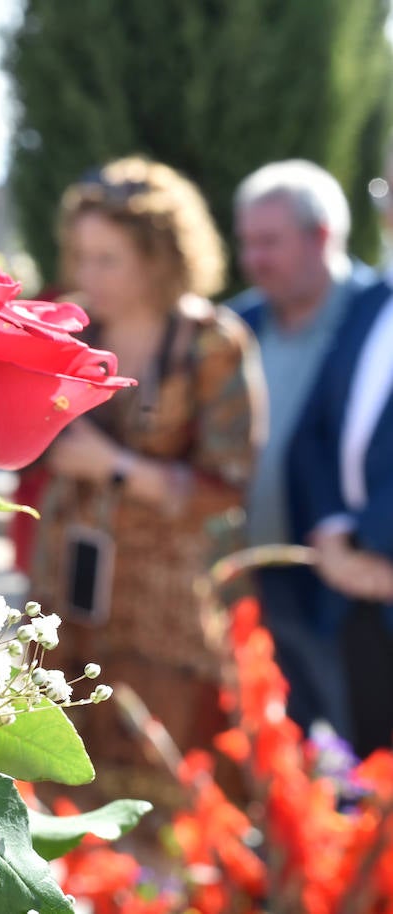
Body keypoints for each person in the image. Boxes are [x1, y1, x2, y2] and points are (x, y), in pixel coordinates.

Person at [30, 157, 264, 810]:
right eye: (80, 255)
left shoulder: (212, 343)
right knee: (57, 791)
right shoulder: (69, 327)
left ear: (161, 258)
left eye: (108, 259)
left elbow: (229, 486)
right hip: (63, 599)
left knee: (162, 806)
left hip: (166, 620)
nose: (85, 275)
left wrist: (113, 466)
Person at [227, 160, 378, 739]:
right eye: (247, 242)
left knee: (347, 738)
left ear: (322, 236)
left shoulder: (374, 320)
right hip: (251, 575)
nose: (254, 259)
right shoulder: (240, 322)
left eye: (270, 241)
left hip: (342, 585)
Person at [289, 168, 393, 755]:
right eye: (389, 192)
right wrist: (332, 534)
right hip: (351, 593)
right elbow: (314, 434)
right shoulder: (373, 300)